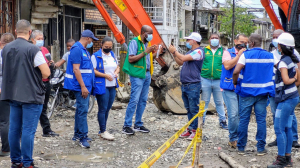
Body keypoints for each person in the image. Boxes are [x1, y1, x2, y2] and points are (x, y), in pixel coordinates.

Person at [1, 19, 50, 168]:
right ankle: (28, 162)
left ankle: (16, 161)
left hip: (13, 95)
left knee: (14, 128)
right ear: (30, 33)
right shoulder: (33, 50)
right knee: (28, 130)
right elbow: (46, 72)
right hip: (31, 95)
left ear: (16, 32)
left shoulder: (6, 49)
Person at [233, 33, 278, 156]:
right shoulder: (270, 56)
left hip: (246, 93)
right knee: (261, 120)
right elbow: (280, 68)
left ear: (251, 43)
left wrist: (235, 82)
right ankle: (260, 148)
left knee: (244, 120)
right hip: (263, 94)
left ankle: (241, 147)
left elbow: (236, 71)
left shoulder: (246, 55)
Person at [267, 33, 300, 167]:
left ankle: (281, 160)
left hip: (285, 99)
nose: (277, 46)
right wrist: (295, 80)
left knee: (279, 128)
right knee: (287, 128)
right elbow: (297, 81)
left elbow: (287, 80)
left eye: (278, 44)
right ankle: (287, 158)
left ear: (281, 47)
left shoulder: (283, 62)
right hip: (292, 97)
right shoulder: (293, 60)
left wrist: (292, 79)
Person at [64, 29, 98, 148]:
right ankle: (82, 137)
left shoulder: (84, 50)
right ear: (88, 38)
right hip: (80, 86)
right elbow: (76, 69)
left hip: (85, 85)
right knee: (83, 111)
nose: (92, 42)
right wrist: (83, 86)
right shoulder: (77, 49)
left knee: (80, 110)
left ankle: (77, 134)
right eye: (92, 40)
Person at [168, 32, 204, 140]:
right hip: (186, 84)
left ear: (194, 41)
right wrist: (174, 54)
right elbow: (180, 62)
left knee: (194, 108)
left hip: (193, 84)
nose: (187, 42)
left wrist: (175, 51)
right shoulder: (191, 52)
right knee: (189, 108)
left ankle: (195, 130)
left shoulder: (198, 52)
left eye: (188, 40)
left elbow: (183, 59)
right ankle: (191, 128)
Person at [122, 25, 157, 135]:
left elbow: (147, 58)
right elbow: (131, 58)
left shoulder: (147, 43)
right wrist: (146, 52)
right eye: (149, 33)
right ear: (143, 33)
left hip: (146, 74)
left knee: (143, 100)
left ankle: (138, 124)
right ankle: (126, 125)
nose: (151, 36)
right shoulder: (134, 42)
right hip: (137, 75)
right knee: (134, 99)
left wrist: (156, 52)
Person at [220, 34, 248, 149]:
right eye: (241, 41)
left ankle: (240, 138)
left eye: (245, 42)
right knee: (233, 115)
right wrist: (239, 56)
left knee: (242, 115)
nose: (243, 44)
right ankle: (233, 138)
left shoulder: (248, 53)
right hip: (229, 88)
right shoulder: (227, 53)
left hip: (242, 88)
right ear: (235, 41)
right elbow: (227, 66)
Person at [30, 30, 59, 137]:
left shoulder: (45, 50)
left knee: (44, 107)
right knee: (34, 107)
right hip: (36, 83)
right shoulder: (31, 50)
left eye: (42, 39)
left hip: (46, 82)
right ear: (33, 40)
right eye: (38, 39)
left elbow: (50, 63)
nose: (41, 41)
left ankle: (46, 130)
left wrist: (52, 64)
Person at [91, 36, 120, 140]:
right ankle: (103, 131)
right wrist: (105, 75)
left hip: (112, 85)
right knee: (102, 109)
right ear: (101, 45)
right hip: (102, 85)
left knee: (108, 108)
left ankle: (103, 129)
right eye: (106, 46)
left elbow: (117, 66)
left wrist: (116, 73)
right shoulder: (96, 56)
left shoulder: (112, 55)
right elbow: (93, 70)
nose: (108, 48)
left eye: (110, 46)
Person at [201, 33, 228, 129]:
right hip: (205, 79)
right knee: (204, 102)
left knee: (219, 102)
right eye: (212, 38)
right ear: (209, 40)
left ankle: (223, 121)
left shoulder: (224, 51)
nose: (214, 39)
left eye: (216, 38)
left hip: (218, 80)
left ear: (219, 40)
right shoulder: (204, 50)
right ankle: (201, 121)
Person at [0, 33, 14, 157]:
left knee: (4, 121)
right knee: (8, 120)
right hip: (12, 91)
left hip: (3, 90)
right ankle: (8, 148)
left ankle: (6, 148)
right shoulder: (16, 54)